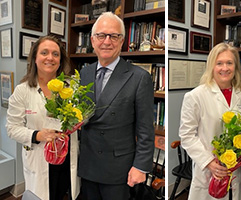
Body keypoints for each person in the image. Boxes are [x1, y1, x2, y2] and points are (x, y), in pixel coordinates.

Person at [78, 12, 154, 199]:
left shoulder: (139, 77)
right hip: (88, 163)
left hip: (119, 168)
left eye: (114, 36)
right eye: (101, 35)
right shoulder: (84, 73)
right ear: (93, 40)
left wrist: (140, 166)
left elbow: (145, 129)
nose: (107, 41)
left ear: (122, 41)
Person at [6, 35, 80, 200]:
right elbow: (12, 129)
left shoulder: (70, 87)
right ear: (34, 58)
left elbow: (78, 115)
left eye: (55, 54)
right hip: (40, 159)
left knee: (61, 194)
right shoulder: (22, 90)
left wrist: (78, 122)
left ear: (60, 61)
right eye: (44, 52)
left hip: (65, 157)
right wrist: (38, 135)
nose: (50, 58)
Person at [178, 42, 241, 199]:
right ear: (211, 66)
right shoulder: (195, 96)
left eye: (229, 63)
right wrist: (209, 162)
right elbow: (187, 135)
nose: (225, 68)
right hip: (209, 169)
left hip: (236, 169)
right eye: (219, 63)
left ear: (235, 66)